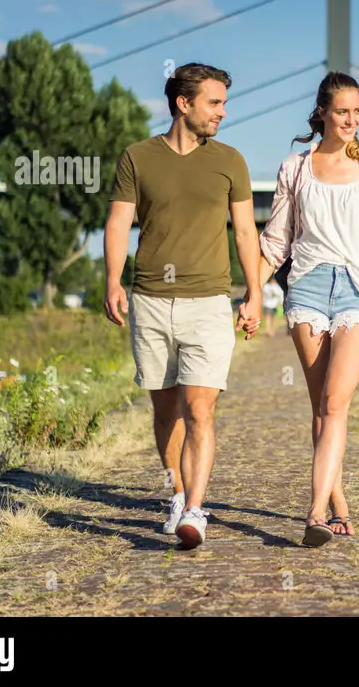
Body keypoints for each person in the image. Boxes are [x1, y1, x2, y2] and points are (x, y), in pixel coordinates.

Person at [239, 71, 359, 547]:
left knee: (337, 402)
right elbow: (275, 242)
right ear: (322, 112)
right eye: (342, 111)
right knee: (321, 408)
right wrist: (252, 296)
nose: (351, 121)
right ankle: (337, 503)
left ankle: (314, 513)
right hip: (309, 289)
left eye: (358, 112)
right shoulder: (295, 168)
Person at [103, 62, 262, 550]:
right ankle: (176, 491)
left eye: (223, 103)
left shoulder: (230, 161)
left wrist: (254, 292)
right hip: (150, 299)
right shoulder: (138, 157)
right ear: (183, 103)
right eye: (215, 103)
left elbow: (245, 230)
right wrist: (113, 280)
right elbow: (117, 222)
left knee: (200, 408)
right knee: (165, 408)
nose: (222, 113)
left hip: (210, 301)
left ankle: (195, 508)